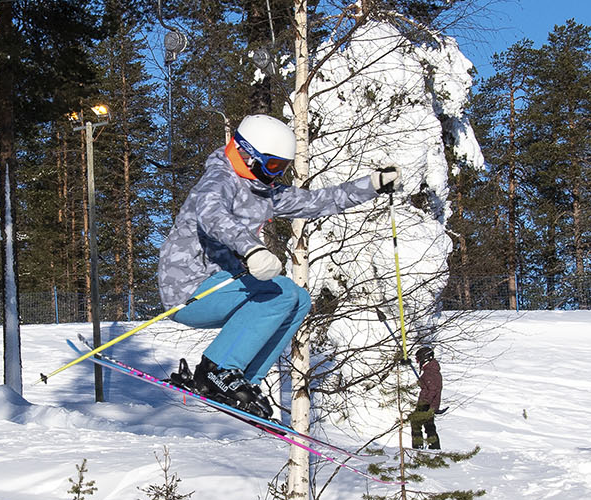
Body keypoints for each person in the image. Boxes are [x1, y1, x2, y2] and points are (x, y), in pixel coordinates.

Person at [161, 113, 401, 420]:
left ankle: (240, 378)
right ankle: (216, 371)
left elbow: (317, 201)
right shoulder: (218, 182)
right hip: (189, 288)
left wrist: (372, 185)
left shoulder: (264, 192)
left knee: (299, 299)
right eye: (272, 166)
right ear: (247, 154)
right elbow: (213, 217)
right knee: (282, 292)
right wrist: (252, 250)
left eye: (281, 168)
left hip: (222, 286)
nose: (275, 176)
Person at [409, 345, 442, 450]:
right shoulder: (431, 370)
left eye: (418, 360)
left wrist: (426, 405)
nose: (418, 363)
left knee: (416, 422)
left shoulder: (430, 372)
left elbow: (432, 389)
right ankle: (434, 446)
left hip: (427, 403)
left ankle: (418, 447)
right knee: (429, 425)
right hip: (430, 403)